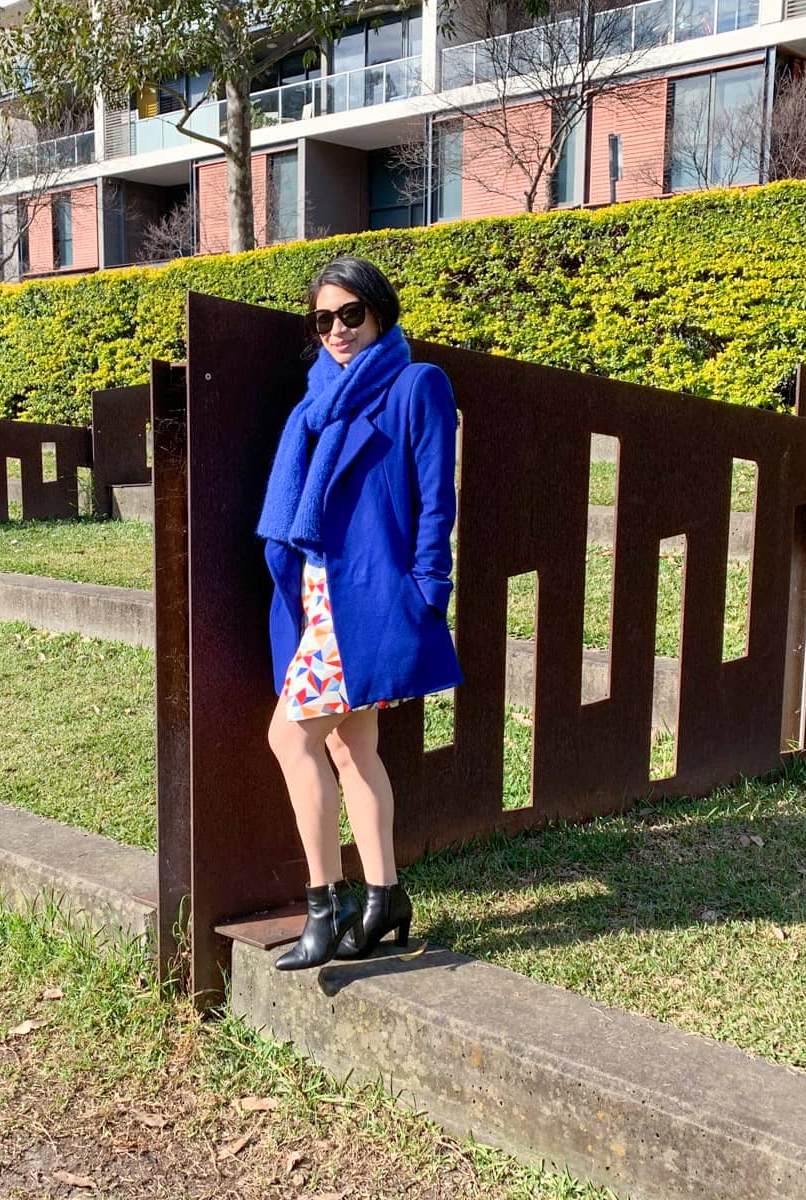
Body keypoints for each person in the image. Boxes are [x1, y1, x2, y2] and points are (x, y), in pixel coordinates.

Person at [257, 255, 461, 971]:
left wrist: (427, 593)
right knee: (351, 748)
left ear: (380, 312)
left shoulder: (415, 385)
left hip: (372, 598)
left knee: (291, 739)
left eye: (351, 314)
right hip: (318, 593)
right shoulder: (318, 398)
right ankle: (385, 898)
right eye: (324, 319)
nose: (338, 330)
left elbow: (437, 502)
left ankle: (324, 903)